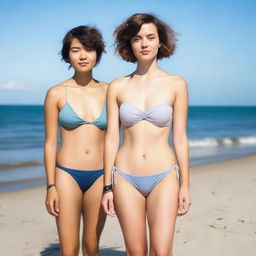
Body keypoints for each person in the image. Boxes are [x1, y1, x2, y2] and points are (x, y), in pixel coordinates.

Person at [102, 13, 191, 255]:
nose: (144, 43)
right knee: (136, 251)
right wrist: (107, 187)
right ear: (129, 44)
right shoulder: (117, 86)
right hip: (125, 177)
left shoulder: (176, 84)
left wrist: (185, 185)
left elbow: (180, 138)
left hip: (164, 176)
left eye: (151, 37)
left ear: (160, 41)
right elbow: (111, 138)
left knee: (161, 251)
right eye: (137, 38)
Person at [44, 25, 107, 256]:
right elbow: (50, 142)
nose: (82, 56)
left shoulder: (111, 91)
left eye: (89, 49)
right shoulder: (56, 93)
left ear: (98, 53)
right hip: (66, 175)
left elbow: (118, 138)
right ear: (67, 55)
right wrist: (50, 186)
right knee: (69, 250)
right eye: (75, 50)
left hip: (101, 176)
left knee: (92, 247)